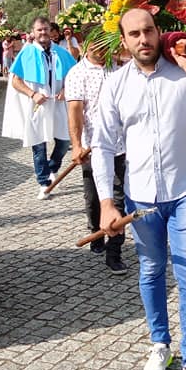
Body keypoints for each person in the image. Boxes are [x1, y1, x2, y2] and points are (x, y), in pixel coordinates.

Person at [92, 9, 186, 370]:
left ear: (159, 31)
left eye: (148, 30)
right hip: (142, 198)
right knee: (151, 270)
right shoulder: (115, 84)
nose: (143, 39)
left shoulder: (185, 73)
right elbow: (102, 145)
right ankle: (160, 344)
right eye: (134, 33)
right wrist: (106, 203)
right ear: (124, 41)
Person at [66, 42, 128, 274]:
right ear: (85, 45)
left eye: (105, 45)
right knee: (93, 199)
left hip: (121, 146)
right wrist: (76, 145)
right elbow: (75, 111)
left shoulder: (119, 68)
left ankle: (115, 253)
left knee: (118, 199)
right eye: (97, 46)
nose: (102, 51)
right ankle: (96, 232)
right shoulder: (76, 74)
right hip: (92, 147)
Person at [1, 16, 77, 199]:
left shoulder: (61, 53)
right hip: (37, 105)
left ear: (51, 31)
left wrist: (66, 90)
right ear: (33, 32)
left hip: (58, 103)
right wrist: (32, 94)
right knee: (38, 145)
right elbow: (15, 81)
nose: (43, 32)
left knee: (64, 141)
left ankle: (53, 167)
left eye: (46, 29)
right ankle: (43, 182)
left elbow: (74, 75)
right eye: (39, 30)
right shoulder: (26, 53)